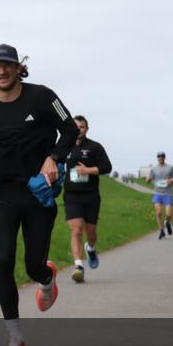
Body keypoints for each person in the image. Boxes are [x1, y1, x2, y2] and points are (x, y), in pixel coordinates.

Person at [0, 44, 78, 346]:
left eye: (7, 65)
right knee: (3, 261)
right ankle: (15, 341)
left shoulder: (42, 97)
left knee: (32, 266)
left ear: (19, 68)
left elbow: (69, 129)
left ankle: (46, 277)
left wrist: (53, 157)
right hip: (4, 194)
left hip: (38, 192)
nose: (1, 71)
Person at [62, 115, 112, 283]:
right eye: (76, 126)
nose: (79, 129)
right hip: (71, 195)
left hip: (90, 195)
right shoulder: (64, 146)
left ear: (86, 129)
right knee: (76, 230)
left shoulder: (95, 147)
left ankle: (90, 248)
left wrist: (88, 170)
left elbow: (107, 167)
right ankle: (78, 266)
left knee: (91, 231)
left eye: (82, 127)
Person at [146, 152, 173, 239]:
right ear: (157, 158)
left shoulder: (170, 167)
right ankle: (161, 231)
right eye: (159, 156)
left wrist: (171, 180)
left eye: (162, 156)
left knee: (169, 215)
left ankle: (166, 223)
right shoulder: (154, 169)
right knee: (159, 212)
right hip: (157, 193)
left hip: (167, 193)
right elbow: (149, 180)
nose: (161, 158)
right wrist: (148, 180)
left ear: (165, 157)